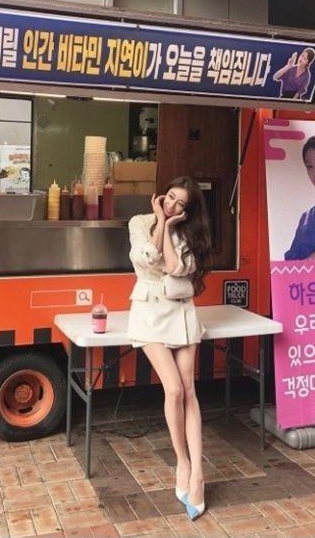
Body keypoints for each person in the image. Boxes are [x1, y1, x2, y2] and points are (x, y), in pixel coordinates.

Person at [127, 176, 212, 520]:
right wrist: (161, 222)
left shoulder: (192, 233)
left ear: (189, 210)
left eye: (181, 203)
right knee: (174, 389)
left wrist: (172, 226)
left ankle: (198, 474)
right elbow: (147, 258)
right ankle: (182, 462)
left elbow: (177, 268)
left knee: (189, 390)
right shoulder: (139, 222)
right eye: (170, 197)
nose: (173, 205)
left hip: (181, 312)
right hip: (148, 313)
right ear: (161, 195)